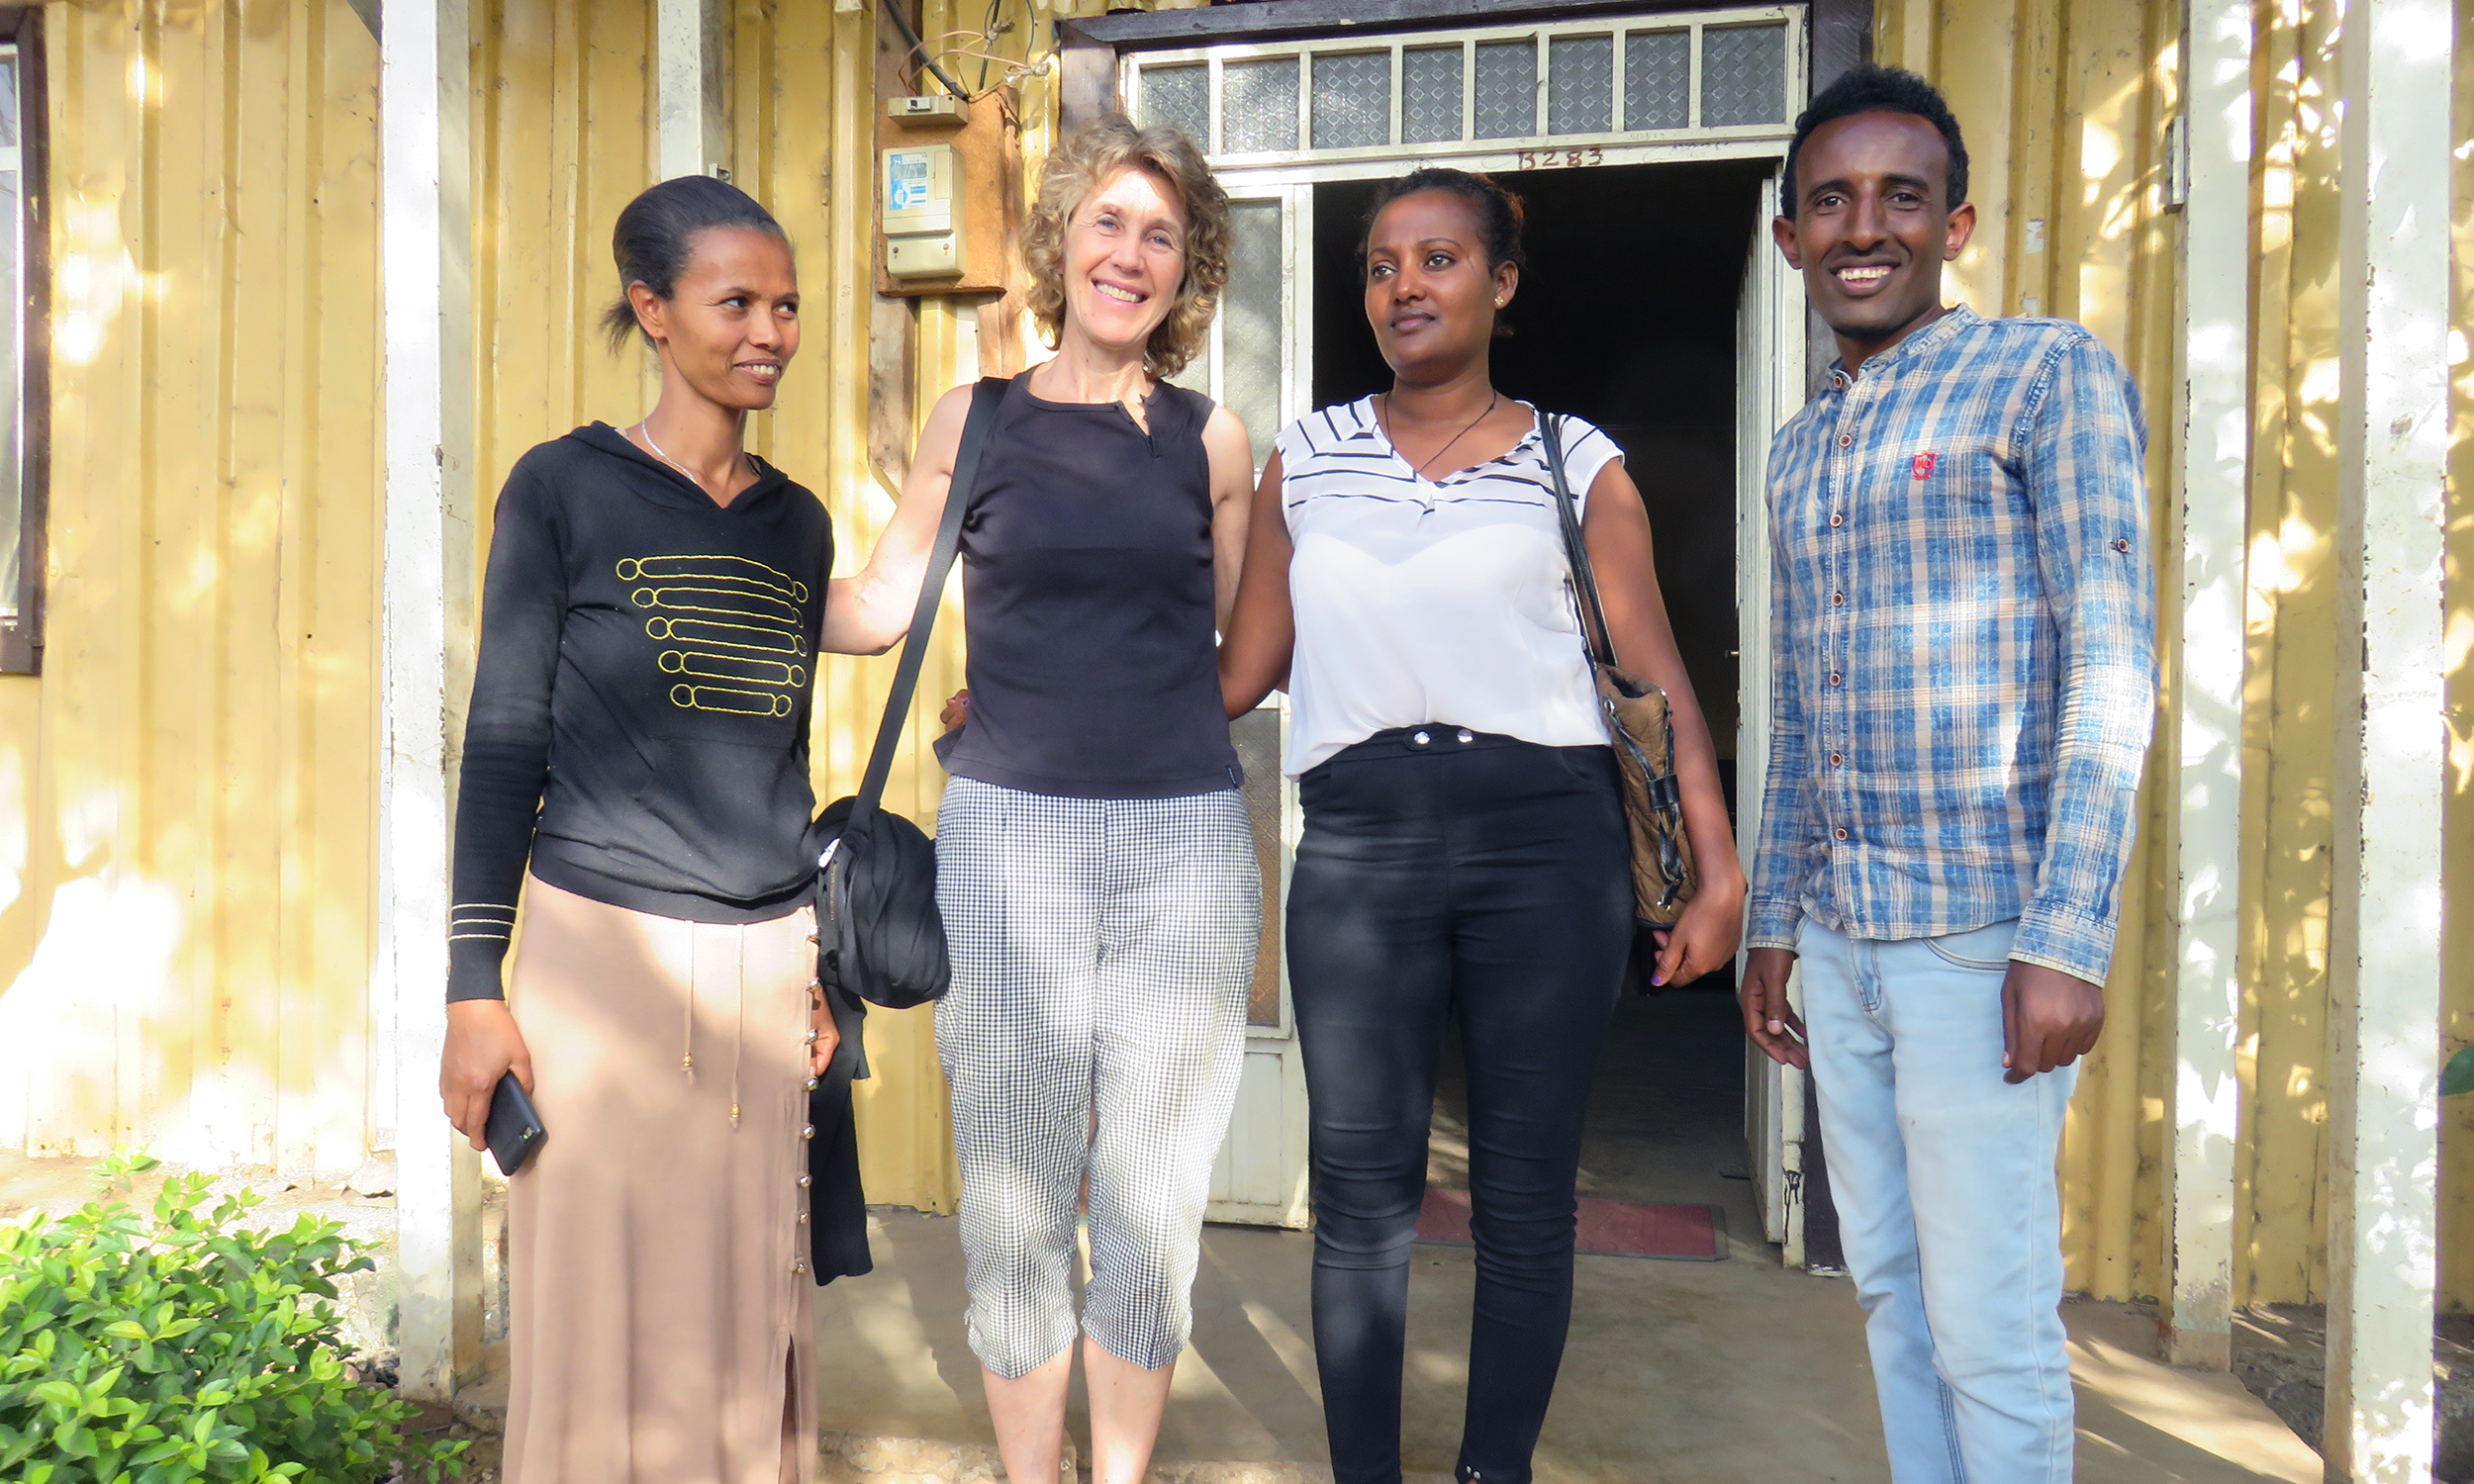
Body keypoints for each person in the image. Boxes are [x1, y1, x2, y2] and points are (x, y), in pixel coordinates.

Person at [1217, 168, 1746, 1484]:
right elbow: (1237, 671)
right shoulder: (1311, 455)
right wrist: (1046, 681)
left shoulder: (1579, 463)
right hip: (1357, 853)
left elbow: (1658, 678)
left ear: (1501, 284)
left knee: (1521, 1199)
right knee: (1359, 1203)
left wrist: (1715, 870)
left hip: (1545, 851)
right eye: (1385, 264)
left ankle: (1491, 1470)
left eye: (1440, 259)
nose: (1406, 285)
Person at [824, 116, 1259, 1484]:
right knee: (1013, 1196)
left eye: (1161, 236)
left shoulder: (1211, 440)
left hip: (1185, 842)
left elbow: (1235, 659)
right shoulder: (979, 418)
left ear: (1187, 276)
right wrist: (721, 563)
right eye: (1110, 223)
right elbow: (885, 602)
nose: (1129, 254)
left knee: (1154, 1198)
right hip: (1010, 843)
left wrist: (1101, 708)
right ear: (1063, 238)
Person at [1738, 65, 2156, 1483]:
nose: (1867, 227)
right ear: (1790, 236)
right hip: (1845, 946)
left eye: (1900, 198)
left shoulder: (2049, 375)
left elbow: (2111, 662)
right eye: (1831, 201)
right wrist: (1777, 922)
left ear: (1954, 223)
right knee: (1890, 1297)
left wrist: (2064, 939)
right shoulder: (1800, 450)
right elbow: (1803, 705)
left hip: (1982, 946)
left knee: (1990, 1322)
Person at [436, 175, 861, 1484]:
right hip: (596, 966)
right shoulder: (562, 488)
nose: (771, 331)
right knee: (597, 1325)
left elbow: (778, 759)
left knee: (746, 1326)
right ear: (653, 310)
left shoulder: (797, 524)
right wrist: (471, 988)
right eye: (736, 301)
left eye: (787, 305)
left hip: (761, 974)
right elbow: (505, 738)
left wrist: (821, 972)